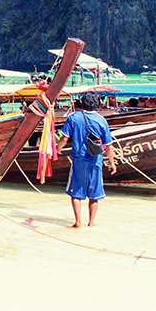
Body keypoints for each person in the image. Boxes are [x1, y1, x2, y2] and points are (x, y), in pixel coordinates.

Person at [55, 91, 117, 228]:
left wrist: (58, 150)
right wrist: (112, 163)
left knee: (76, 192)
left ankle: (78, 223)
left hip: (79, 159)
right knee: (94, 193)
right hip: (96, 160)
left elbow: (64, 138)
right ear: (98, 105)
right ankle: (91, 223)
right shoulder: (102, 121)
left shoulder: (74, 118)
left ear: (81, 103)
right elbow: (108, 146)